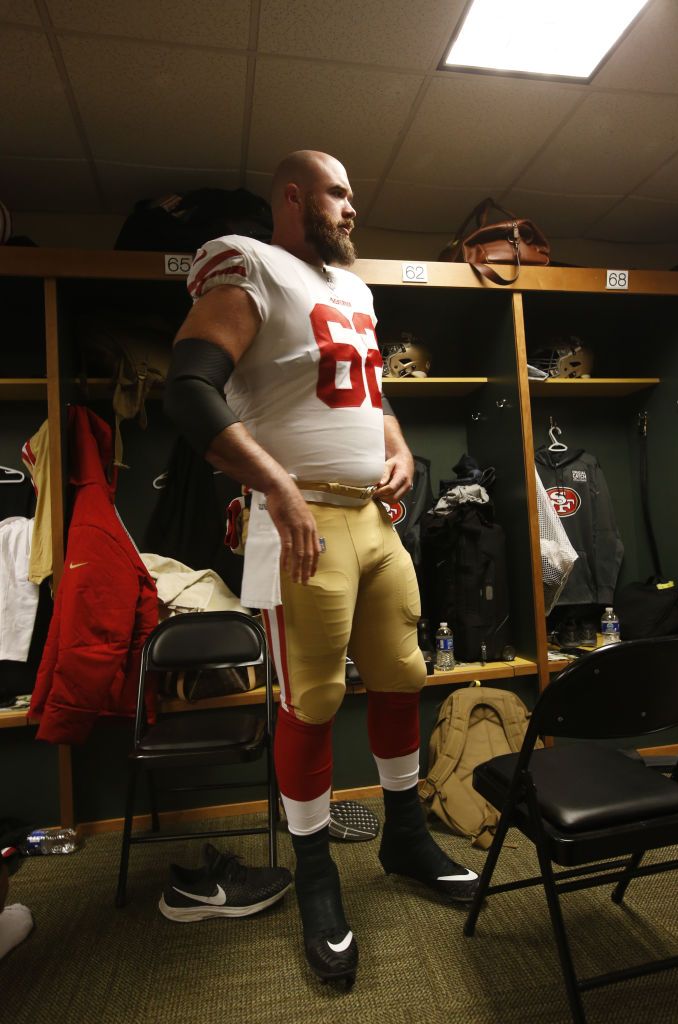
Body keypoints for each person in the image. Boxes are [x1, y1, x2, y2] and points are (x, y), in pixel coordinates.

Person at [164, 150, 479, 987]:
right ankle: (315, 877)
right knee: (313, 698)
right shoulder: (248, 260)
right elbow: (187, 389)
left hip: (373, 519)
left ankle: (405, 839)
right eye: (339, 193)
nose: (350, 210)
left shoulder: (355, 290)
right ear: (295, 196)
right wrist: (272, 485)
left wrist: (400, 446)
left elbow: (367, 391)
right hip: (298, 518)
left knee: (403, 674)